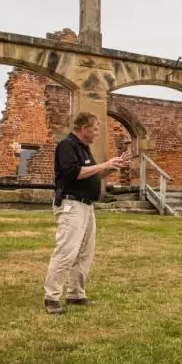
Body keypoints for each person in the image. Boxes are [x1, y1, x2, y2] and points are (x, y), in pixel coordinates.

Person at [43, 111, 130, 316]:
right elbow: (74, 173)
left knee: (85, 253)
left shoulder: (84, 148)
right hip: (71, 205)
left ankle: (75, 294)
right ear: (84, 129)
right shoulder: (67, 146)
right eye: (96, 128)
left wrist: (112, 167)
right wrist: (104, 164)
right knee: (66, 251)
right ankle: (52, 297)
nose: (98, 132)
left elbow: (95, 173)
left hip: (87, 206)